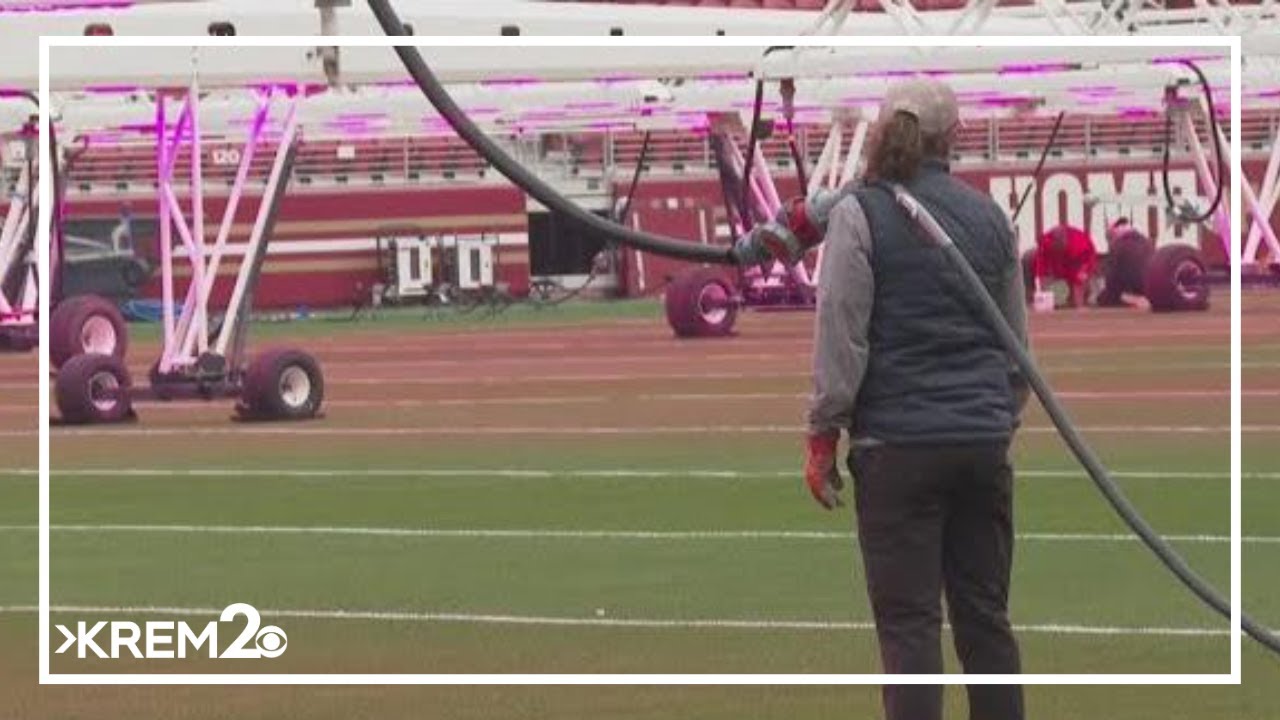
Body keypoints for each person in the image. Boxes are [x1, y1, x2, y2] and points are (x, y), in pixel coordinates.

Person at [802, 78, 1030, 720]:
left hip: (897, 448)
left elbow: (842, 332)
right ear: (953, 137)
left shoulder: (859, 213)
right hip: (981, 444)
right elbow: (1016, 347)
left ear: (880, 133)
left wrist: (823, 433)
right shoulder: (990, 217)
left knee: (909, 631)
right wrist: (994, 420)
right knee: (986, 620)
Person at [1023, 224, 1097, 308]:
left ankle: (1084, 299)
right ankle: (1028, 300)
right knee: (1028, 256)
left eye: (1060, 247)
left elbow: (1080, 279)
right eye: (1055, 248)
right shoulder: (1045, 244)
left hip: (1077, 263)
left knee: (1081, 288)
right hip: (1057, 268)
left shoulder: (1081, 247)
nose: (1057, 250)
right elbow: (1042, 274)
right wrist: (1045, 298)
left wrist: (1079, 305)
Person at [1095, 218, 1156, 307]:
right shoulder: (1147, 242)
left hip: (1132, 290)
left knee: (1102, 297)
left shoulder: (1118, 246)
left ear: (1113, 235)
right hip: (1149, 288)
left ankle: (1132, 301)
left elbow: (1111, 279)